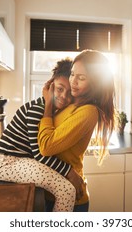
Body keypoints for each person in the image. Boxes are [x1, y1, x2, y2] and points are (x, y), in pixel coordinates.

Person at [0, 58, 84, 212]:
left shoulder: (53, 111)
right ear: (50, 85)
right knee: (67, 190)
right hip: (7, 162)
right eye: (59, 89)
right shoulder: (37, 109)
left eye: (69, 93)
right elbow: (40, 154)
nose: (64, 96)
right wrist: (70, 172)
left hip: (19, 160)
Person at [38, 49, 115, 211]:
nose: (73, 81)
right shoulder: (71, 102)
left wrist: (48, 106)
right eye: (73, 74)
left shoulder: (88, 111)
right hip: (53, 192)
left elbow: (46, 146)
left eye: (81, 78)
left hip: (71, 198)